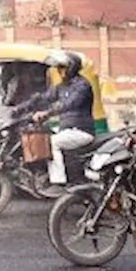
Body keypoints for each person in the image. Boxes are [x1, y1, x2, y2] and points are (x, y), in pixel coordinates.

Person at [23, 50, 95, 185]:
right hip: (67, 129)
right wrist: (23, 107)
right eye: (58, 68)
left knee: (52, 142)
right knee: (42, 134)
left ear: (72, 68)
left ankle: (58, 182)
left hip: (81, 131)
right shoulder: (62, 86)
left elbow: (69, 104)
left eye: (62, 67)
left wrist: (47, 113)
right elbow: (45, 97)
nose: (59, 71)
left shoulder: (82, 86)